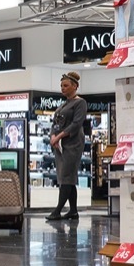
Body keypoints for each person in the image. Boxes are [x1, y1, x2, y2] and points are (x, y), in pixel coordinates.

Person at [46, 71, 87, 221]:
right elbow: (55, 124)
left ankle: (58, 210)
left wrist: (59, 136)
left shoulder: (80, 103)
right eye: (61, 85)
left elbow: (76, 124)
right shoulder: (63, 105)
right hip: (61, 144)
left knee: (66, 176)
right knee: (66, 176)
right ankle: (73, 210)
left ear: (75, 86)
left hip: (73, 143)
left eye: (66, 85)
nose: (62, 88)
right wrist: (53, 136)